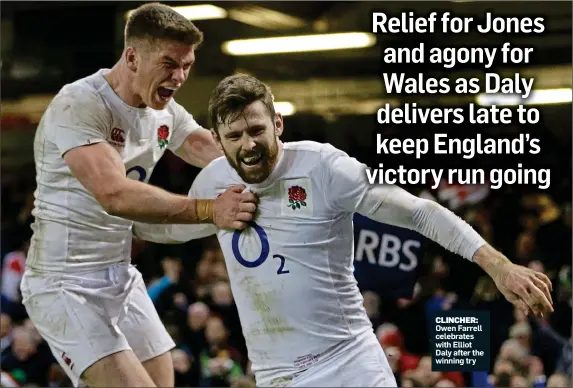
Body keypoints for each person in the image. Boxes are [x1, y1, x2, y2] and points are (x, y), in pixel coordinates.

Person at [137, 73, 554, 387]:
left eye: (257, 130)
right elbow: (172, 231)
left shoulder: (324, 168)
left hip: (349, 364)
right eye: (235, 135)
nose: (248, 144)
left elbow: (419, 213)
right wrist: (103, 217)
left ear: (278, 123)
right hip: (274, 375)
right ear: (217, 138)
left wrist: (498, 265)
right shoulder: (212, 182)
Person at [20, 4, 257, 388]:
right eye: (168, 63)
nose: (179, 76)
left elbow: (201, 145)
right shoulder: (79, 103)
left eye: (186, 65)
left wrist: (266, 166)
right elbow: (114, 195)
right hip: (64, 284)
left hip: (120, 276)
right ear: (132, 57)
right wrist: (211, 210)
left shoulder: (163, 109)